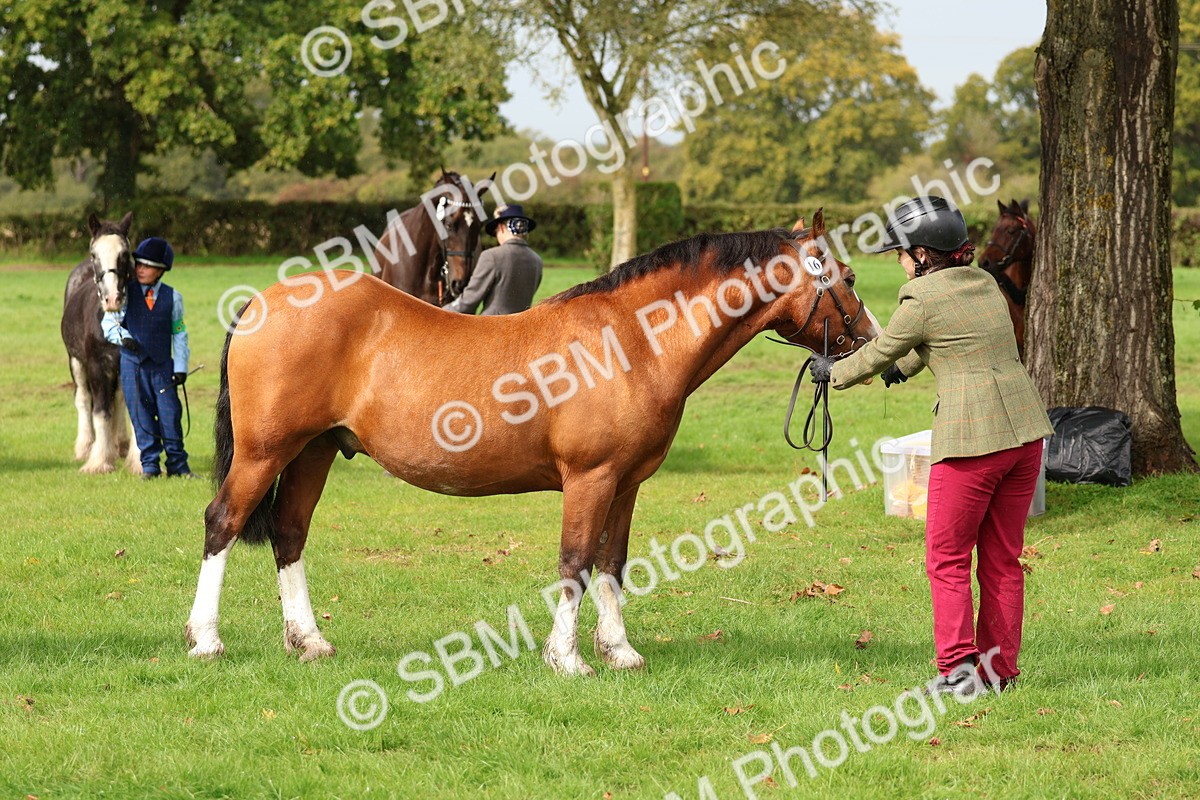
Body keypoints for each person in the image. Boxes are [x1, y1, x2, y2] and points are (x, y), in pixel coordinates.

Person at [809, 196, 1053, 697]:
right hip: (1025, 437)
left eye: (900, 252)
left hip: (972, 443)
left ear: (921, 254)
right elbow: (949, 337)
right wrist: (905, 368)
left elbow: (881, 349)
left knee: (947, 559)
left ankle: (960, 674)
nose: (899, 261)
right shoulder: (984, 283)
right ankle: (999, 672)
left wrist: (835, 373)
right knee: (1003, 560)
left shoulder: (918, 299)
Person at [101, 237, 196, 479]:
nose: (140, 269)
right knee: (140, 416)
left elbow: (179, 333)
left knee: (170, 414)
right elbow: (108, 322)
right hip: (132, 366)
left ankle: (178, 465)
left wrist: (181, 366)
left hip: (163, 367)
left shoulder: (173, 297)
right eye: (138, 264)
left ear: (161, 270)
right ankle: (150, 466)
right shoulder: (126, 294)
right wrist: (123, 337)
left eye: (147, 266)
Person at [444, 204, 543, 315]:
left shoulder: (492, 256)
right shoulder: (537, 260)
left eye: (496, 231)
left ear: (500, 227)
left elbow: (467, 303)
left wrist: (440, 310)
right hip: (521, 329)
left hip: (492, 329)